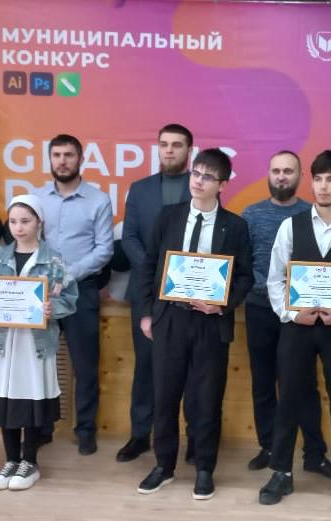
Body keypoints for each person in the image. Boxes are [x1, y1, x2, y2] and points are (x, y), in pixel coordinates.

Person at [258, 150, 331, 509]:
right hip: (298, 327)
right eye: (319, 179)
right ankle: (281, 472)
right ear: (311, 182)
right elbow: (275, 278)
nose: (324, 186)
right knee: (289, 398)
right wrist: (290, 314)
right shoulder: (290, 226)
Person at [135, 148, 253, 500]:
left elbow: (245, 277)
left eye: (207, 177)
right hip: (170, 319)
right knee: (165, 396)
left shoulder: (235, 226)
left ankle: (204, 468)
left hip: (210, 323)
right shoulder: (168, 216)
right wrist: (147, 313)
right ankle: (163, 466)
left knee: (206, 400)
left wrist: (222, 304)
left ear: (223, 185)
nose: (198, 181)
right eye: (196, 173)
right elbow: (149, 265)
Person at [0, 194, 78, 491]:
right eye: (14, 222)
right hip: (3, 342)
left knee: (31, 398)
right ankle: (10, 460)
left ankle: (29, 461)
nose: (19, 228)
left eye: (26, 221)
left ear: (39, 222)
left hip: (35, 344)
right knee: (6, 398)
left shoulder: (53, 260)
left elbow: (71, 299)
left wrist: (52, 309)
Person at [240, 150, 331, 476]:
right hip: (259, 310)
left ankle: (314, 454)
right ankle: (269, 447)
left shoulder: (312, 214)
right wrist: (265, 290)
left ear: (300, 176)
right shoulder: (250, 215)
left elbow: (323, 265)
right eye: (276, 170)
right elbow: (243, 264)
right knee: (263, 382)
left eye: (288, 171)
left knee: (304, 384)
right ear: (269, 174)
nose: (281, 176)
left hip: (301, 315)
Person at [117, 123, 196, 463]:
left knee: (191, 369)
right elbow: (130, 237)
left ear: (189, 151)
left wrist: (176, 274)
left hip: (190, 291)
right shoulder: (140, 189)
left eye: (177, 145)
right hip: (147, 292)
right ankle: (140, 435)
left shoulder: (201, 188)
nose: (169, 150)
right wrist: (156, 270)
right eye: (164, 144)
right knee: (146, 365)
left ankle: (194, 439)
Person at [35, 134, 114, 455]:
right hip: (41, 293)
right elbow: (28, 241)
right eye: (56, 155)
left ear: (80, 159)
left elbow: (104, 249)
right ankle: (41, 428)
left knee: (85, 367)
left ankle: (85, 431)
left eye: (68, 155)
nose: (62, 161)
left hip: (81, 291)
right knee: (41, 363)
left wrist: (68, 274)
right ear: (50, 159)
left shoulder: (98, 200)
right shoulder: (37, 198)